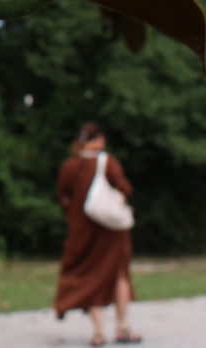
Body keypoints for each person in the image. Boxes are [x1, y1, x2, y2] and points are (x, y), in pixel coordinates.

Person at [55, 121, 142, 345]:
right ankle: (122, 327)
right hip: (111, 231)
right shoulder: (108, 163)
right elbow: (125, 189)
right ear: (100, 139)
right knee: (119, 275)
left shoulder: (69, 166)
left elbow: (63, 198)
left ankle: (98, 332)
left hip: (82, 232)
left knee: (91, 276)